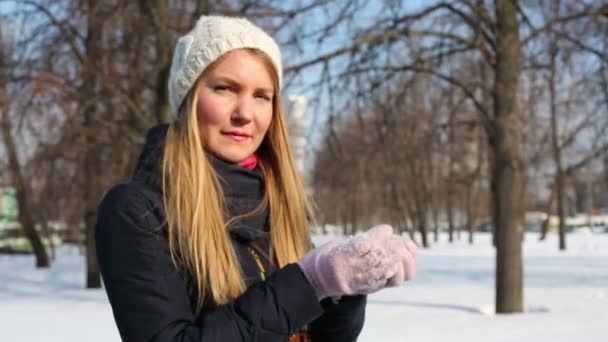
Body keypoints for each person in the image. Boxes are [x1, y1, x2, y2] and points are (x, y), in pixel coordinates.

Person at [95, 15, 418, 342]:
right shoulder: (137, 210)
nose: (245, 114)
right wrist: (309, 282)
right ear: (188, 98)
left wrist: (345, 289)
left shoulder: (278, 201)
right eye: (225, 88)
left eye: (262, 96)